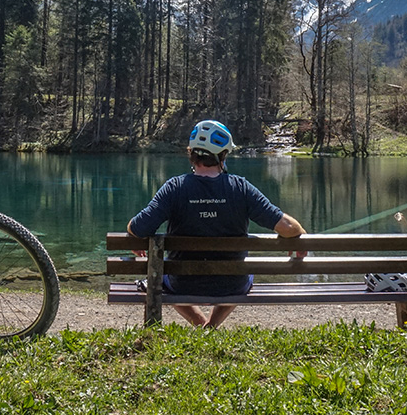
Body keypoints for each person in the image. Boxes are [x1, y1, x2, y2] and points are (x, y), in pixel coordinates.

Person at [126, 119, 306, 328]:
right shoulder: (241, 188)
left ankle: (203, 325)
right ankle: (210, 326)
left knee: (163, 278)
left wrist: (133, 236)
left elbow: (139, 228)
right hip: (233, 285)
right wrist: (300, 237)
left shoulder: (174, 188)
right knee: (241, 273)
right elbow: (289, 228)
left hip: (181, 284)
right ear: (223, 155)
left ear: (192, 153)